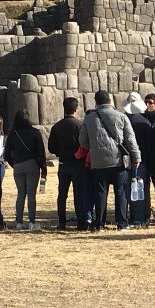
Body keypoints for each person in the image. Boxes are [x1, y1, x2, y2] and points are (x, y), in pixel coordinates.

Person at [79, 90, 141, 231]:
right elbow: (131, 140)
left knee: (100, 192)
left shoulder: (89, 119)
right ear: (110, 101)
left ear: (96, 102)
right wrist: (136, 157)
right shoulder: (121, 117)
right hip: (118, 160)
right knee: (120, 192)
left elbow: (82, 141)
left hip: (98, 162)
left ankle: (99, 223)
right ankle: (122, 223)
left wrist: (94, 147)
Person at [48, 97, 88, 231]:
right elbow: (85, 144)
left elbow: (51, 148)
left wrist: (60, 151)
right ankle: (81, 222)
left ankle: (62, 222)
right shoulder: (80, 126)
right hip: (78, 163)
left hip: (64, 163)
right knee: (79, 194)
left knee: (62, 194)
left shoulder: (57, 126)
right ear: (76, 109)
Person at [4, 109, 47, 231]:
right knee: (31, 195)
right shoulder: (35, 132)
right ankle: (32, 222)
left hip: (18, 165)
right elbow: (41, 153)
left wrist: (14, 164)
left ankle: (19, 222)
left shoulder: (13, 134)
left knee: (20, 194)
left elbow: (7, 154)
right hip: (32, 164)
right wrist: (43, 168)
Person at [123, 91, 153, 228]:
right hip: (143, 160)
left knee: (128, 189)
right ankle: (140, 217)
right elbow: (148, 144)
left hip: (124, 159)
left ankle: (132, 216)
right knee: (140, 189)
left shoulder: (123, 119)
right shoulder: (145, 122)